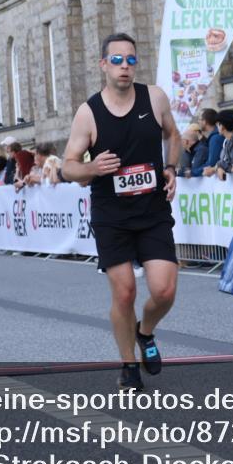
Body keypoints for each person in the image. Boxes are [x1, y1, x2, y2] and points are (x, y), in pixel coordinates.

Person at [62, 32, 181, 391]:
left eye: (131, 59)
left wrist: (172, 168)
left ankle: (145, 333)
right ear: (103, 65)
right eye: (117, 60)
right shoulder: (89, 112)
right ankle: (128, 364)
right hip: (111, 214)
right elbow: (68, 167)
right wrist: (93, 168)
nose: (125, 66)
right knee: (125, 292)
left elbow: (173, 135)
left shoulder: (154, 97)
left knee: (163, 291)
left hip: (153, 210)